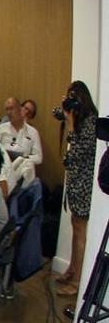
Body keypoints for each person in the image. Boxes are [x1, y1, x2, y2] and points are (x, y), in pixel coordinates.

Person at [59, 80, 98, 297]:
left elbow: (76, 155)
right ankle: (72, 268)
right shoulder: (80, 118)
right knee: (75, 226)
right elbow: (58, 111)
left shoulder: (90, 122)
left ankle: (77, 281)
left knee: (80, 230)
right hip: (76, 182)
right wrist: (67, 110)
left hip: (84, 184)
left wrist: (71, 125)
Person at [0, 97, 43, 186]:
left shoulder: (33, 132)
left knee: (28, 165)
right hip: (4, 168)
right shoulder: (2, 128)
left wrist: (23, 157)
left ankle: (24, 194)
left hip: (22, 169)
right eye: (7, 109)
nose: (9, 112)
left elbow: (39, 158)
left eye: (11, 109)